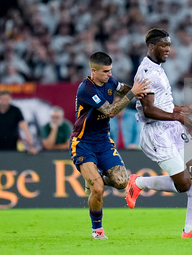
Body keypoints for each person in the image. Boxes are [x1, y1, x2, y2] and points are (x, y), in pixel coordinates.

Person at [126, 28, 192, 238]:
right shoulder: (146, 73)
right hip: (157, 133)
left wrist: (179, 109)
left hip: (172, 128)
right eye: (163, 46)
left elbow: (162, 104)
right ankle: (137, 183)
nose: (168, 50)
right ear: (151, 46)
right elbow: (148, 110)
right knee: (184, 184)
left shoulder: (159, 68)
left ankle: (190, 229)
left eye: (169, 45)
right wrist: (178, 117)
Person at [69, 52, 150, 239]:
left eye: (110, 71)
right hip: (83, 143)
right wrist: (132, 94)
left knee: (122, 182)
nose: (109, 75)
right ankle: (97, 230)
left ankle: (93, 179)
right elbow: (110, 111)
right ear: (93, 71)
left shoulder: (110, 81)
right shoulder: (86, 90)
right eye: (105, 71)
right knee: (98, 189)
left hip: (104, 142)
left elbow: (123, 89)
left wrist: (142, 91)